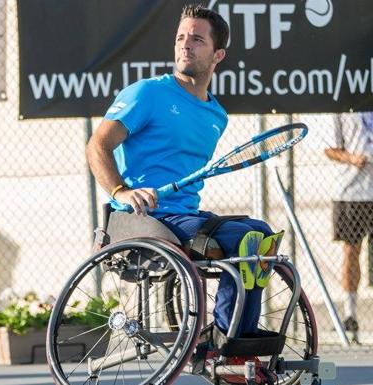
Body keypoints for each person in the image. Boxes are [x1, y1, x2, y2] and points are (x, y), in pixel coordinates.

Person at [86, 5, 283, 380]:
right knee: (245, 238)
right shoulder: (147, 93)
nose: (185, 45)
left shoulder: (217, 116)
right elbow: (97, 146)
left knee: (261, 235)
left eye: (197, 39)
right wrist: (122, 190)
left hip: (184, 217)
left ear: (217, 54)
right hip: (141, 218)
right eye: (181, 37)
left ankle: (238, 344)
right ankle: (224, 350)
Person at [325, 111, 373, 342]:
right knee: (351, 251)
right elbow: (329, 148)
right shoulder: (343, 106)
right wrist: (352, 158)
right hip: (352, 192)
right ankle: (350, 314)